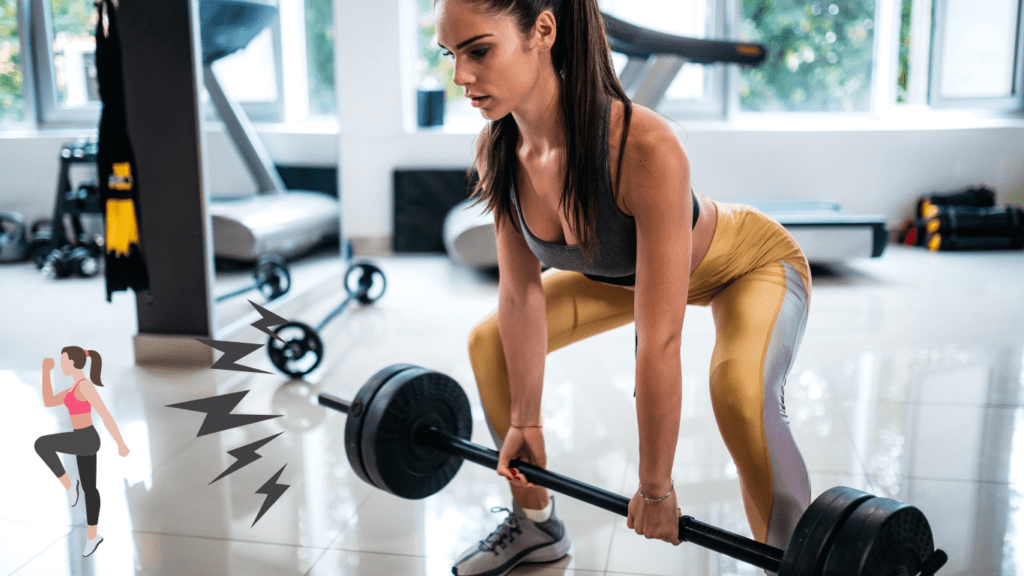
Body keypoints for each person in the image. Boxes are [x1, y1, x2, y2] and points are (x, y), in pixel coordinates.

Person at [437, 0, 814, 574]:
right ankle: (535, 526)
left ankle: (793, 560)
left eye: (479, 51)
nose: (461, 76)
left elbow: (659, 339)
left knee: (737, 391)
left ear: (543, 30)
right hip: (624, 277)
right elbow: (520, 296)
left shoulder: (643, 146)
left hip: (749, 265)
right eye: (451, 55)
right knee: (489, 343)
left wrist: (655, 486)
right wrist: (525, 422)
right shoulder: (503, 150)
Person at [35, 347, 130, 557]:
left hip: (86, 439)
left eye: (63, 361)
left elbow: (105, 414)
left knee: (44, 445)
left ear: (72, 363)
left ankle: (71, 488)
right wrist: (45, 372)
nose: (61, 365)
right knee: (89, 488)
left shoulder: (85, 387)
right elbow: (49, 401)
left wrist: (120, 443)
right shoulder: (73, 388)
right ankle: (90, 530)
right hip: (81, 437)